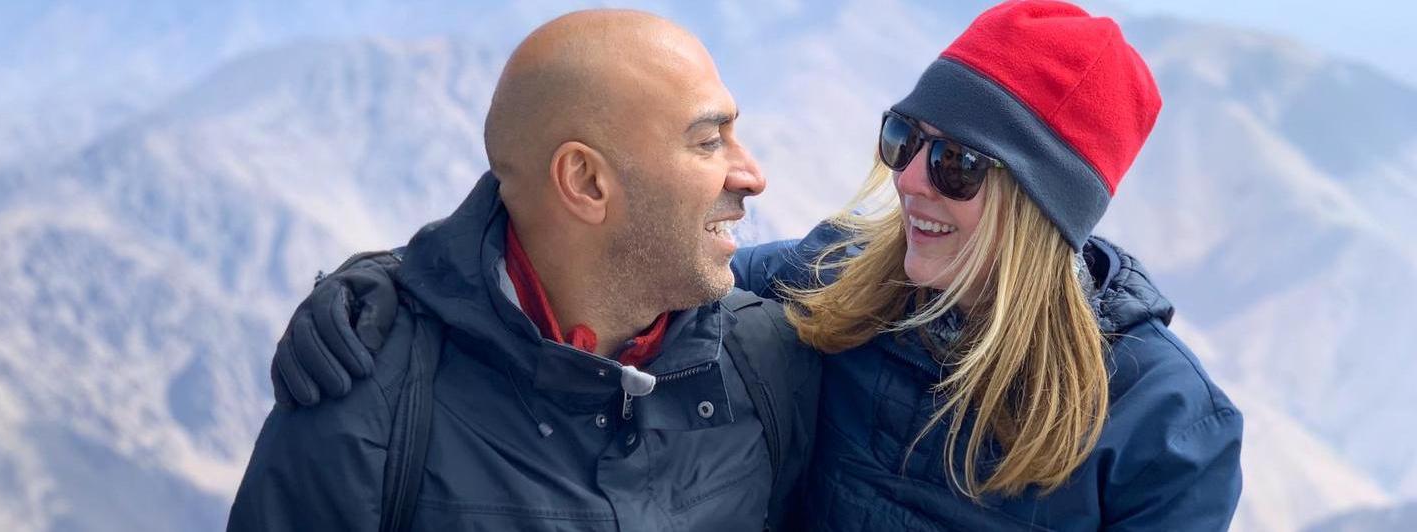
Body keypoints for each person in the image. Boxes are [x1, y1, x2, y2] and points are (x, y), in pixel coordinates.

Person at [272, 1, 1245, 530]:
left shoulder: (1161, 429)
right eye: (903, 137)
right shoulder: (836, 290)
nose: (908, 179)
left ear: (1044, 211)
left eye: (953, 165)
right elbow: (612, 273)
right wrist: (394, 287)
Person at [227, 9, 820, 532]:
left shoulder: (767, 362)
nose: (752, 175)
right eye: (708, 141)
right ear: (586, 182)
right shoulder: (364, 397)